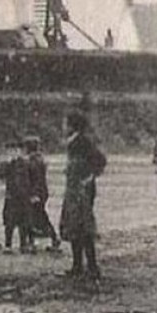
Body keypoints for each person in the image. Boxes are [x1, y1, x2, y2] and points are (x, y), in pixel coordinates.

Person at [59, 112, 107, 280]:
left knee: (82, 225)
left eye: (66, 123)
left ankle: (90, 266)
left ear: (73, 125)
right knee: (76, 225)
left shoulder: (83, 140)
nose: (64, 127)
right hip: (74, 188)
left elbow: (100, 161)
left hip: (80, 190)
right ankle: (79, 265)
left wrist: (88, 178)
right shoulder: (78, 140)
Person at [23, 136, 63, 253]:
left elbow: (36, 180)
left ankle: (49, 239)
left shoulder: (33, 161)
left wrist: (34, 194)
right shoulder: (39, 159)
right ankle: (40, 240)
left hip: (36, 193)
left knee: (38, 216)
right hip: (40, 192)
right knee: (35, 216)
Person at [0, 143, 30, 252]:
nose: (13, 153)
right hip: (12, 196)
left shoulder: (25, 164)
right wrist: (5, 163)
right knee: (9, 223)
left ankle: (23, 244)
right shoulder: (9, 164)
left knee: (23, 222)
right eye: (11, 151)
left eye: (16, 150)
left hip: (23, 197)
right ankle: (8, 244)